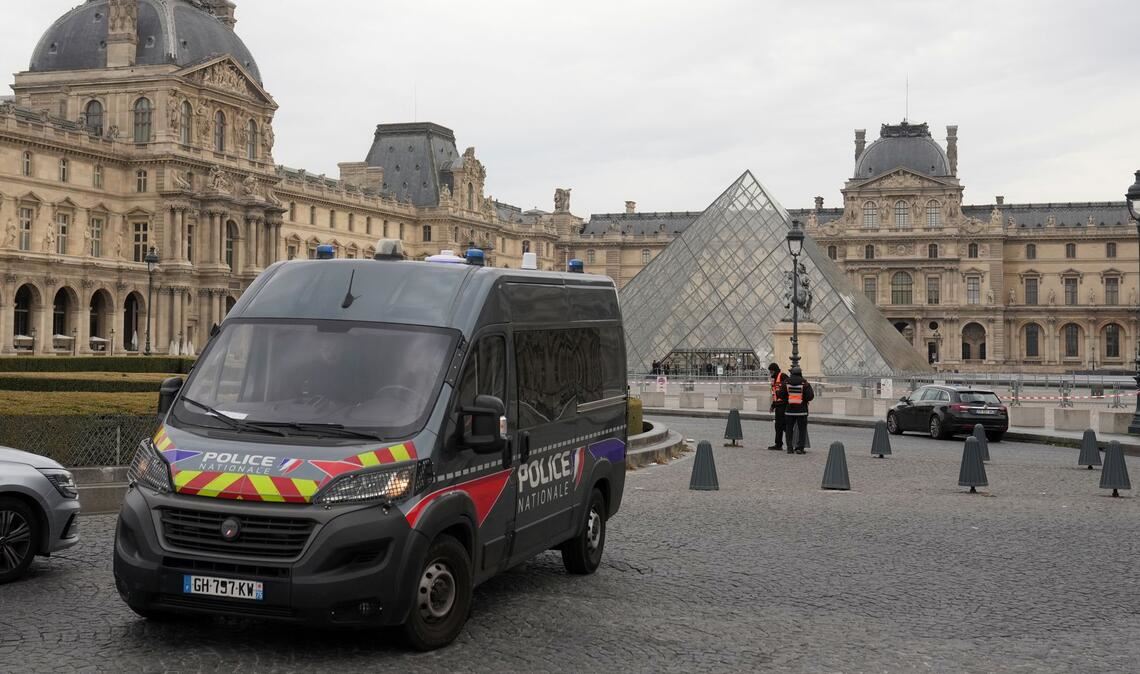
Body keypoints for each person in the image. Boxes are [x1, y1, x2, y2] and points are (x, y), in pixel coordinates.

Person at [779, 367, 814, 454]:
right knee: (802, 430)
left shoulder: (786, 382)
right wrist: (804, 399)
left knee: (789, 430)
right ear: (800, 373)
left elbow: (781, 394)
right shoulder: (805, 383)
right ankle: (800, 448)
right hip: (802, 411)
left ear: (792, 373)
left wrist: (787, 399)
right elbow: (810, 396)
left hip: (789, 410)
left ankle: (789, 448)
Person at [766, 363, 787, 451]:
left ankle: (790, 444)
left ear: (775, 370)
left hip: (784, 405)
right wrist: (773, 406)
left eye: (771, 371)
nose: (770, 373)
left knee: (785, 426)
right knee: (778, 426)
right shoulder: (773, 379)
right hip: (778, 405)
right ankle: (778, 444)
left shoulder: (783, 376)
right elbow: (775, 394)